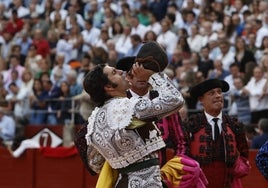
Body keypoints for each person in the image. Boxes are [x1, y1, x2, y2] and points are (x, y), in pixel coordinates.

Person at [76, 41, 185, 187]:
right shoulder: (126, 107)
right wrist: (152, 75)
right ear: (108, 87)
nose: (122, 72)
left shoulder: (96, 117)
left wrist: (121, 157)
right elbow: (175, 100)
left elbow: (94, 163)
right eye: (114, 72)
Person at [183, 78, 250, 188]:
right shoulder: (191, 125)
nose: (218, 95)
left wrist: (239, 167)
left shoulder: (234, 125)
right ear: (201, 100)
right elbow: (181, 155)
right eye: (212, 93)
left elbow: (244, 153)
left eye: (219, 92)